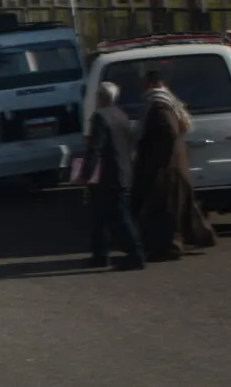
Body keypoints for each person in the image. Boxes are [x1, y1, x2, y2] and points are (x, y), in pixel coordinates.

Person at [131, 70, 218, 261]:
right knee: (181, 208)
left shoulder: (159, 106)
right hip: (175, 166)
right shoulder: (168, 103)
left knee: (167, 211)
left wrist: (158, 157)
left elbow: (167, 132)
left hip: (167, 168)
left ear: (151, 84)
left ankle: (170, 247)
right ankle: (198, 237)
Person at [84, 82, 146, 270]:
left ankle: (135, 254)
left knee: (119, 216)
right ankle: (99, 255)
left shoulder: (100, 117)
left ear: (102, 97)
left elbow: (96, 148)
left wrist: (88, 173)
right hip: (122, 171)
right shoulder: (121, 115)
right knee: (100, 216)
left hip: (107, 175)